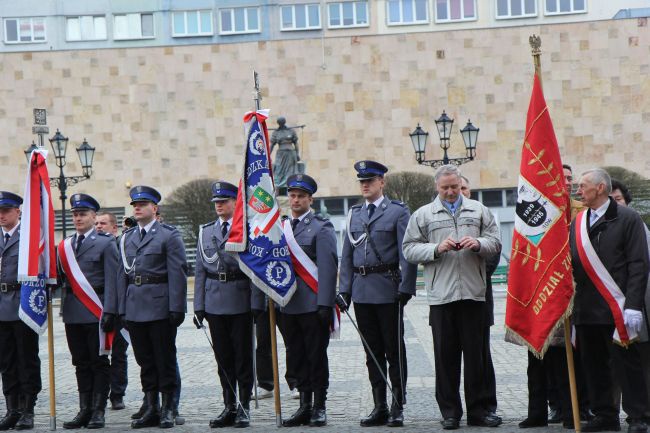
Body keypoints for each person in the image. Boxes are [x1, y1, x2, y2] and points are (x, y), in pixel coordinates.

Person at [402, 164, 502, 430]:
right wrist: (436, 248)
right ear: (437, 187)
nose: (450, 192)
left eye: (454, 187)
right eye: (445, 188)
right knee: (445, 359)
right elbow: (409, 249)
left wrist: (479, 244)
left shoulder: (479, 210)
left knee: (476, 358)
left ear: (460, 185)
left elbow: (496, 241)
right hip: (442, 297)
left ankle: (479, 411)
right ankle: (450, 412)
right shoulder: (424, 214)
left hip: (473, 294)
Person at [337, 160, 417, 428]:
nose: (365, 185)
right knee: (372, 353)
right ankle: (379, 405)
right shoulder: (354, 214)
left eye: (370, 180)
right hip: (361, 291)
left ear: (382, 182)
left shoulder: (397, 212)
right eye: (362, 181)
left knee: (394, 351)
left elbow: (407, 253)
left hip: (387, 289)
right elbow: (346, 256)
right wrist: (344, 291)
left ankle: (398, 404)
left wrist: (406, 286)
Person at [570, 169, 649, 433]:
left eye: (583, 186)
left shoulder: (628, 218)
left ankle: (638, 416)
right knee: (593, 365)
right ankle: (605, 413)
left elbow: (638, 263)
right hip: (586, 307)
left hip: (619, 307)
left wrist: (635, 305)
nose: (578, 191)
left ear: (600, 188)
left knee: (627, 365)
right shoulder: (578, 221)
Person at [193, 181, 263, 428]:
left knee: (243, 357)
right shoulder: (205, 231)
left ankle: (243, 405)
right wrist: (198, 306)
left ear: (236, 203)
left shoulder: (247, 229)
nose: (219, 205)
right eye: (216, 202)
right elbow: (200, 270)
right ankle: (229, 405)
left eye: (224, 201)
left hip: (240, 299)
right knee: (223, 358)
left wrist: (257, 303)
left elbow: (255, 269)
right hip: (214, 301)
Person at [117, 186, 188, 429]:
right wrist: (121, 309)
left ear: (154, 208)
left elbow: (177, 273)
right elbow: (121, 276)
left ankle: (168, 407)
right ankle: (151, 406)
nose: (137, 208)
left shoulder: (168, 235)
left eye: (143, 204)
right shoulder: (127, 237)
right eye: (134, 205)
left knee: (164, 359)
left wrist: (177, 307)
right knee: (145, 361)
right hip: (135, 306)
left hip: (159, 306)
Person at [278, 174, 338, 427]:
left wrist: (325, 303)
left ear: (310, 199)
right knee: (296, 355)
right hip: (287, 303)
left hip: (312, 303)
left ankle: (319, 406)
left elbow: (327, 267)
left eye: (301, 196)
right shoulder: (280, 227)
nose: (296, 200)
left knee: (315, 355)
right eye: (292, 196)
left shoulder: (321, 227)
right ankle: (303, 404)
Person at [58, 194, 119, 429]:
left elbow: (113, 280)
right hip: (73, 311)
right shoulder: (65, 246)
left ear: (94, 217)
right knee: (80, 362)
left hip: (97, 310)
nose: (78, 218)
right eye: (75, 214)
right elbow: (60, 278)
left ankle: (98, 410)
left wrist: (112, 312)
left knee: (99, 362)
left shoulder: (105, 243)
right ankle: (84, 409)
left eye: (83, 214)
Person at [460, 176, 502, 422]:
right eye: (456, 188)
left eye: (463, 187)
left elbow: (493, 256)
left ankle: (487, 405)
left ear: (470, 191)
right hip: (451, 299)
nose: (460, 192)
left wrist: (471, 275)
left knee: (481, 355)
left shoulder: (483, 216)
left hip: (479, 296)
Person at [0, 192, 41, 431]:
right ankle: (12, 408)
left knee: (27, 360)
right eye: (0, 211)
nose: (2, 215)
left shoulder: (29, 238)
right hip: (1, 307)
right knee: (6, 361)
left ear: (18, 212)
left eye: (6, 211)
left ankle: (28, 409)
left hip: (22, 304)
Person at [610, 178, 650, 422]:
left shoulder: (636, 225)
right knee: (615, 363)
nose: (616, 204)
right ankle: (613, 410)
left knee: (641, 359)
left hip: (639, 304)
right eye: (611, 200)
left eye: (619, 199)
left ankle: (641, 410)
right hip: (610, 306)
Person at [95, 211, 129, 412]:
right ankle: (99, 393)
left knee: (118, 353)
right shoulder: (90, 246)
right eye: (97, 223)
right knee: (99, 354)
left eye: (104, 223)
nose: (99, 226)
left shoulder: (120, 245)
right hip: (95, 306)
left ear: (114, 228)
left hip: (116, 309)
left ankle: (117, 394)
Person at [270, 116, 300, 189]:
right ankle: (277, 187)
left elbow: (295, 143)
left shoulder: (291, 131)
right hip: (281, 154)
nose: (281, 124)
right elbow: (272, 145)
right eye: (279, 123)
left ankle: (290, 186)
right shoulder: (276, 132)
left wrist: (297, 154)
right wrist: (268, 155)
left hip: (291, 153)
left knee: (291, 171)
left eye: (282, 122)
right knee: (278, 169)